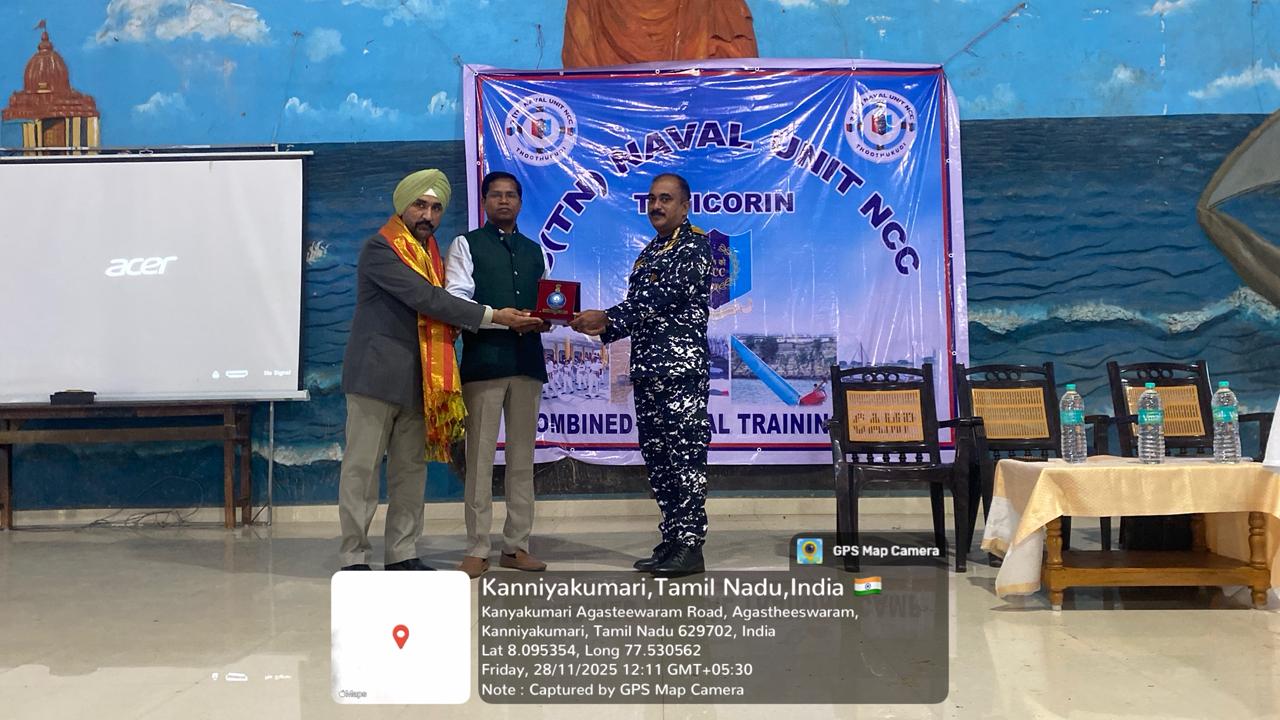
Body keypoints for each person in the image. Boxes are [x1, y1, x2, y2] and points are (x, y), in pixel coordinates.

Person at [338, 168, 541, 571]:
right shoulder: (381, 249)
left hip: (422, 382)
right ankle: (354, 557)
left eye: (435, 208)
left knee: (410, 473)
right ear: (403, 206)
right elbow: (428, 299)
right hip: (376, 378)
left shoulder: (432, 256)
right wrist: (494, 316)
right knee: (362, 470)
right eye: (420, 205)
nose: (427, 215)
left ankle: (402, 554)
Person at [570, 173, 712, 576]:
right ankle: (672, 541)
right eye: (652, 199)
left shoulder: (695, 246)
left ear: (685, 206)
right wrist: (598, 326)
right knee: (660, 462)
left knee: (684, 460)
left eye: (666, 199)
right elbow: (642, 311)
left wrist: (606, 317)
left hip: (680, 375)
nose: (656, 206)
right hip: (649, 373)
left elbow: (660, 298)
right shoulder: (650, 252)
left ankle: (691, 546)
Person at [445, 171, 550, 578]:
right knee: (480, 460)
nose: (504, 201)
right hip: (484, 364)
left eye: (511, 195)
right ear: (485, 201)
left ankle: (517, 545)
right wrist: (499, 318)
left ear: (520, 203)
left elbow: (547, 302)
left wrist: (546, 319)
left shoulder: (535, 251)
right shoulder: (466, 245)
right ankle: (477, 547)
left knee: (523, 460)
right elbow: (456, 301)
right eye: (496, 195)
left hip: (527, 365)